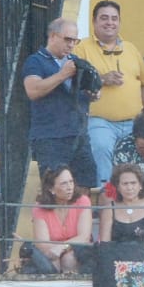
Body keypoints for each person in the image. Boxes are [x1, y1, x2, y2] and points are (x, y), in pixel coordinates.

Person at [75, 0, 144, 184]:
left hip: (134, 120)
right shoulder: (81, 48)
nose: (110, 22)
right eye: (104, 18)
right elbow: (74, 83)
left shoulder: (131, 49)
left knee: (142, 156)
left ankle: (136, 201)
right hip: (99, 120)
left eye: (114, 18)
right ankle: (106, 198)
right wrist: (101, 79)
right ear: (94, 22)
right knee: (101, 147)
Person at [23, 17, 98, 189]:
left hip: (78, 134)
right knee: (54, 188)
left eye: (75, 40)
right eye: (68, 39)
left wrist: (92, 93)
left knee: (85, 185)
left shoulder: (76, 61)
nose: (71, 44)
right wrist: (63, 74)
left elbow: (87, 90)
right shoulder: (35, 61)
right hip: (51, 137)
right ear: (53, 36)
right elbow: (33, 91)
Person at [25, 163, 91, 273]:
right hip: (51, 252)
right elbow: (42, 244)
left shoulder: (83, 200)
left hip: (80, 251)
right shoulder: (40, 207)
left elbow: (84, 237)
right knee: (52, 259)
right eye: (64, 184)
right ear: (52, 189)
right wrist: (58, 250)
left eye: (71, 182)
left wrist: (62, 247)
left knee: (68, 259)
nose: (70, 187)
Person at [98, 161, 144, 245]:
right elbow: (105, 243)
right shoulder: (109, 209)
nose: (129, 188)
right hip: (117, 256)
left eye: (133, 183)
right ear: (117, 187)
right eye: (125, 184)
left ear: (140, 185)